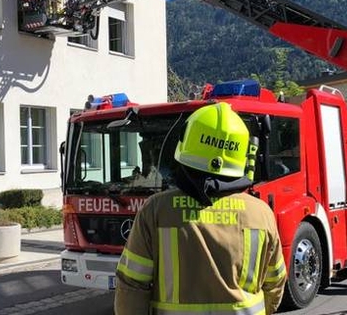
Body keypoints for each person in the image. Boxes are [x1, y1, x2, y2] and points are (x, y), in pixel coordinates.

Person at [114, 102, 287, 315]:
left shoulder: (156, 210)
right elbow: (275, 282)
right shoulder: (261, 214)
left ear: (185, 146)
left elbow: (132, 286)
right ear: (242, 154)